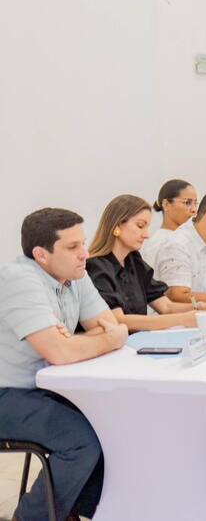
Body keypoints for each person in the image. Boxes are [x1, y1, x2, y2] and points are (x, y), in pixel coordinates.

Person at [0, 208, 128, 521]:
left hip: (46, 389)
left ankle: (75, 510)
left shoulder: (75, 274)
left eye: (82, 243)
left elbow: (112, 326)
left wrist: (76, 341)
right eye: (72, 247)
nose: (85, 253)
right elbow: (62, 352)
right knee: (82, 441)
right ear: (41, 255)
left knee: (114, 424)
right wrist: (98, 340)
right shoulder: (18, 279)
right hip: (8, 393)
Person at [86, 195, 206, 331]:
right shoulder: (96, 267)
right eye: (140, 226)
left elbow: (166, 307)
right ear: (117, 225)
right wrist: (182, 319)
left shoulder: (134, 260)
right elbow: (118, 320)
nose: (147, 235)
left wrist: (200, 307)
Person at [142, 178, 197, 268]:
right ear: (166, 205)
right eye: (187, 202)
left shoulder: (187, 240)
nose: (194, 209)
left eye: (195, 203)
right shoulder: (159, 244)